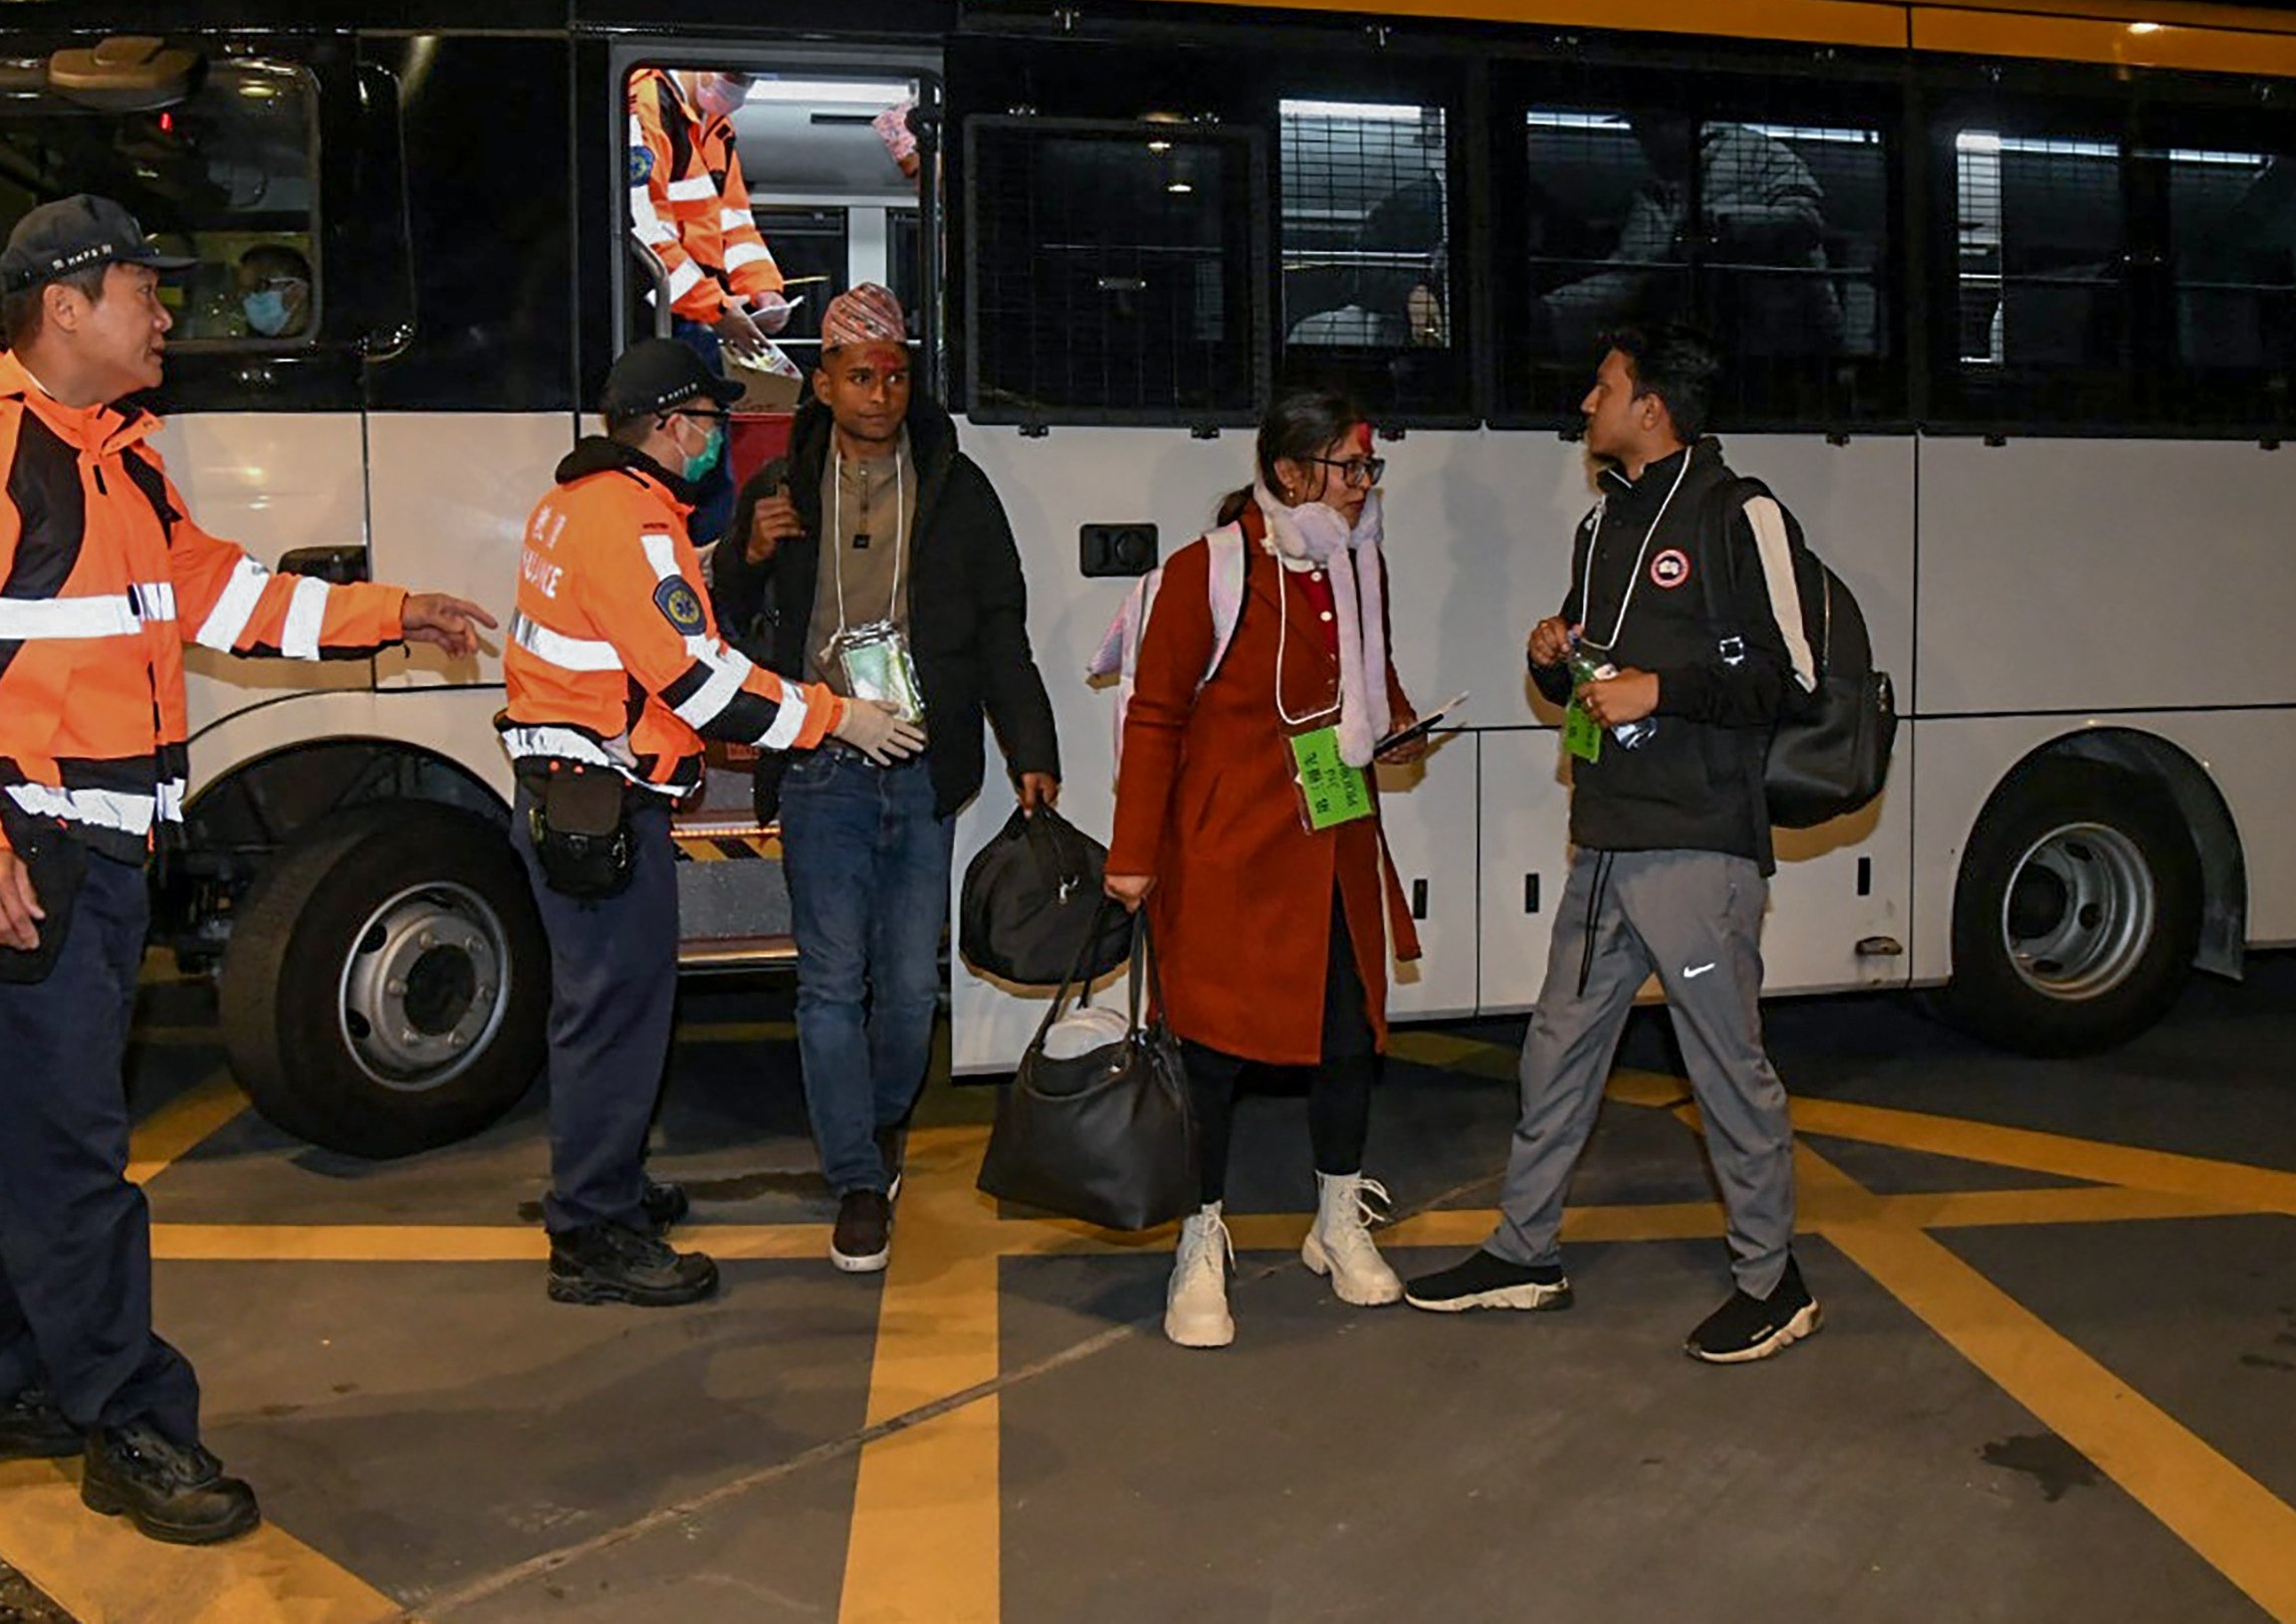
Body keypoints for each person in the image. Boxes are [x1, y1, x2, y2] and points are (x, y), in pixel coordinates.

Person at [0, 194, 495, 1542]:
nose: (164, 315)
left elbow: (225, 598)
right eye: (144, 290)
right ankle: (129, 1418)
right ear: (64, 307)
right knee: (72, 1154)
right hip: (15, 851)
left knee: (32, 1137)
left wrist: (394, 612)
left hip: (90, 856)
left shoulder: (114, 458)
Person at [1403, 323, 1824, 1364]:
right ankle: (1523, 1251)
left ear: (1653, 408)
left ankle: (1774, 1281)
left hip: (1694, 847)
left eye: (1603, 387)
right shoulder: (1605, 529)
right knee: (1555, 1052)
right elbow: (1597, 674)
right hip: (1606, 837)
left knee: (1725, 1066)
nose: (1584, 404)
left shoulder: (1742, 513)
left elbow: (1796, 678)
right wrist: (1555, 659)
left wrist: (1662, 690)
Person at [499, 337, 925, 1308]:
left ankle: (606, 1181)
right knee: (614, 1020)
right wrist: (834, 715)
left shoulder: (574, 502)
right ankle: (593, 1229)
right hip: (599, 802)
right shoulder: (629, 523)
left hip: (573, 791)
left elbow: (646, 626)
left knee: (603, 1014)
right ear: (670, 425)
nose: (717, 439)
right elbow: (699, 682)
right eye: (709, 421)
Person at [710, 284, 1062, 1275]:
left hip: (919, 756)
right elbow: (725, 612)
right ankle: (859, 1176)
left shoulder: (957, 485)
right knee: (830, 982)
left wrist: (1031, 748)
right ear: (821, 381)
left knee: (909, 987)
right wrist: (747, 548)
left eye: (896, 373)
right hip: (820, 754)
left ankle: (869, 1127)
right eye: (861, 374)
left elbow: (1002, 626)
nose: (881, 391)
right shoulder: (780, 486)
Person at [1102, 389, 1426, 1349]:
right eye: (1348, 467)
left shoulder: (1359, 565)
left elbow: (1373, 680)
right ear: (1290, 473)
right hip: (1223, 851)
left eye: (1369, 468)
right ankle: (1199, 1238)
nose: (1364, 486)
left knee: (1347, 1033)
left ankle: (1337, 1219)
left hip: (1333, 845)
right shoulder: (1207, 571)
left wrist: (1400, 727)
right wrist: (1132, 856)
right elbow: (1154, 717)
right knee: (1207, 1052)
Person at [1539, 115, 1839, 363]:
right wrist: (1552, 310)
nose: (1646, 146)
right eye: (1638, 134)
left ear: (1679, 121)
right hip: (1705, 355)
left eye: (1649, 130)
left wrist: (1717, 225)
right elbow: (1626, 276)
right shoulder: (1655, 198)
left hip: (1787, 350)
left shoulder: (1755, 153)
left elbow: (1806, 221)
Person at [626, 67, 794, 373]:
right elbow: (643, 232)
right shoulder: (649, 102)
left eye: (751, 80)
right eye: (737, 75)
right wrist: (717, 309)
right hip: (650, 312)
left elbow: (735, 224)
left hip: (694, 311)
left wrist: (765, 290)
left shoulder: (718, 128)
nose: (742, 87)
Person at [233, 241, 311, 339]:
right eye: (243, 290)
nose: (244, 298)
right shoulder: (252, 347)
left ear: (296, 292)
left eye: (258, 288)